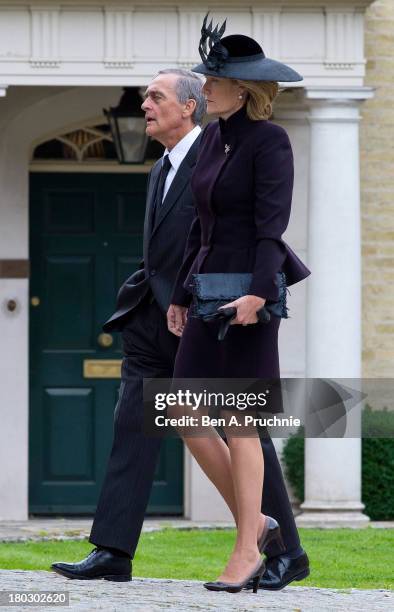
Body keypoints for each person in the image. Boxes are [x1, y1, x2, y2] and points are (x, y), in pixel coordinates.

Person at [52, 66, 310, 590]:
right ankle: (113, 548)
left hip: (211, 311)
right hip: (158, 310)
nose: (145, 105)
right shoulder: (162, 168)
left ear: (190, 105)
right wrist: (165, 295)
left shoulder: (228, 147)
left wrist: (245, 292)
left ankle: (281, 547)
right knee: (137, 420)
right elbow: (191, 237)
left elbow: (255, 227)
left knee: (243, 426)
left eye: (155, 96)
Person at [167, 18, 311, 593]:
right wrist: (180, 293)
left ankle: (245, 548)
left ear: (243, 89)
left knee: (239, 421)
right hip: (205, 294)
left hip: (250, 296)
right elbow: (199, 227)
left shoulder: (270, 141)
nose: (204, 86)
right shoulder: (210, 138)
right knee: (182, 410)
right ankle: (259, 525)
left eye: (214, 79)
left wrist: (256, 291)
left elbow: (271, 227)